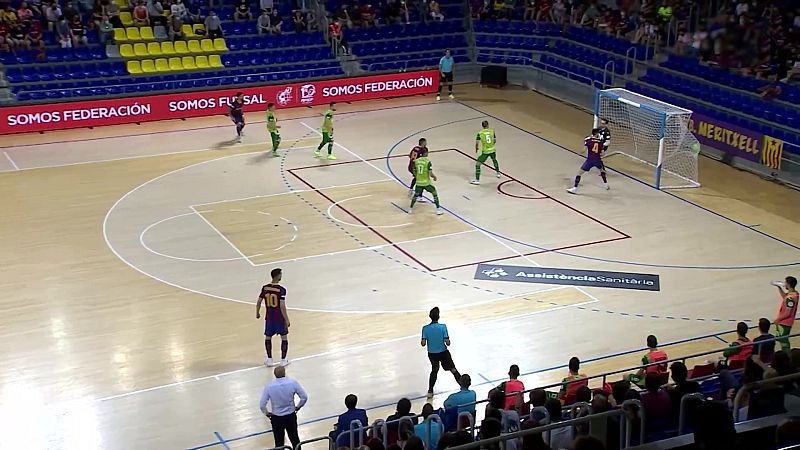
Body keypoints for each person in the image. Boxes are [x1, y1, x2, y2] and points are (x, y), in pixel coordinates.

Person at [259, 365, 308, 449]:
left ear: (274, 374)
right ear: (285, 373)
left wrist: (267, 413)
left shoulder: (269, 386)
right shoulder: (292, 383)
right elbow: (304, 397)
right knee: (295, 439)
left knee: (279, 442)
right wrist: (298, 406)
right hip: (290, 416)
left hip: (277, 418)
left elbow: (262, 404)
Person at [422, 307, 460, 397]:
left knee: (434, 370)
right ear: (438, 316)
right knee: (453, 370)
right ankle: (463, 386)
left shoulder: (425, 328)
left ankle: (430, 391)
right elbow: (448, 342)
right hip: (443, 353)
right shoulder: (443, 327)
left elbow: (423, 343)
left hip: (432, 354)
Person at [256, 268, 291, 367]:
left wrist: (257, 312)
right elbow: (282, 306)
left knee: (268, 337)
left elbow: (259, 301)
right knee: (284, 337)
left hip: (269, 318)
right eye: (281, 274)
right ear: (278, 276)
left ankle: (270, 359)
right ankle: (283, 360)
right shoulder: (281, 290)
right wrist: (287, 319)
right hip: (279, 318)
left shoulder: (265, 288)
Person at [566, 128, 609, 194]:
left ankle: (574, 188)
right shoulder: (601, 142)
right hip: (598, 160)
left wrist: (580, 152)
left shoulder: (589, 140)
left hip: (589, 161)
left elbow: (583, 150)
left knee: (579, 173)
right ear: (597, 134)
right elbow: (603, 154)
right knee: (602, 171)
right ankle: (606, 185)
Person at [409, 150, 443, 215]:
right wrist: (434, 177)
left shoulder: (416, 161)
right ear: (426, 153)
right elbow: (430, 173)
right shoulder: (428, 162)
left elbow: (414, 170)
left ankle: (410, 209)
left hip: (419, 182)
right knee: (434, 194)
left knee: (415, 196)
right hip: (426, 183)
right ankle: (438, 210)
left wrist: (417, 176)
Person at [773, 276, 798, 352]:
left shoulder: (790, 298)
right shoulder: (795, 294)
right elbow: (785, 297)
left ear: (788, 284)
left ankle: (787, 357)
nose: (784, 284)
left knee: (783, 342)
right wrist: (779, 288)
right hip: (785, 322)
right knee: (782, 340)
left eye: (785, 283)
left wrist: (778, 319)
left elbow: (788, 313)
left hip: (785, 323)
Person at [471, 120, 499, 185]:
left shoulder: (480, 133)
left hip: (485, 152)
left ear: (482, 126)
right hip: (492, 150)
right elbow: (494, 140)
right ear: (488, 125)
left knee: (478, 164)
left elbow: (477, 143)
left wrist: (476, 149)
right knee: (494, 160)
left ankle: (477, 180)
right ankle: (498, 173)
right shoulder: (492, 131)